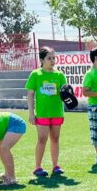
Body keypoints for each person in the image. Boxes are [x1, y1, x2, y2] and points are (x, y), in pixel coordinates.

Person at [25, 46, 68, 177]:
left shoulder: (59, 75)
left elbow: (65, 92)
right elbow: (30, 94)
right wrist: (31, 113)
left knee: (55, 138)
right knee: (42, 139)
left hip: (57, 112)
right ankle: (38, 167)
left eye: (54, 58)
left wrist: (69, 96)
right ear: (42, 60)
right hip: (42, 113)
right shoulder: (35, 74)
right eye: (49, 58)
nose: (53, 60)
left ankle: (55, 166)